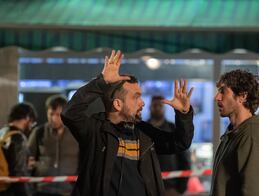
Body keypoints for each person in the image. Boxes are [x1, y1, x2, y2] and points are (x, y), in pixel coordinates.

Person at [61, 50, 194, 196]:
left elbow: (180, 142)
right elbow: (70, 113)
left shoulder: (144, 132)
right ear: (117, 104)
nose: (142, 103)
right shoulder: (96, 130)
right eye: (136, 97)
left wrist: (184, 114)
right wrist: (101, 83)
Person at [210, 69, 259, 196]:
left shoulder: (252, 135)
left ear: (242, 97)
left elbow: (253, 191)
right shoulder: (235, 133)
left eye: (223, 91)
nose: (216, 97)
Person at [28, 95, 79, 196]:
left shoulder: (76, 133)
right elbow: (28, 158)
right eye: (51, 114)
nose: (54, 118)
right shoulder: (39, 132)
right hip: (42, 190)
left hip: (69, 190)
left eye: (58, 114)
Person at [147, 96, 191, 196]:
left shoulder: (173, 128)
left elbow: (185, 159)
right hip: (148, 188)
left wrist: (181, 188)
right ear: (150, 107)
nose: (157, 108)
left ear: (164, 108)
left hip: (171, 188)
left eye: (160, 105)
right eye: (155, 105)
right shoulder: (143, 130)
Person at [0, 102, 37, 196]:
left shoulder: (2, 132)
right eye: (32, 122)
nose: (31, 126)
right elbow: (19, 173)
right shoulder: (18, 138)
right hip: (10, 190)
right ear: (27, 118)